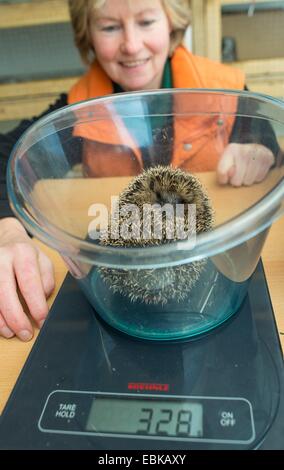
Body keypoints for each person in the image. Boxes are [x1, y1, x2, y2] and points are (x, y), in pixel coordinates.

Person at [0, 0, 278, 341]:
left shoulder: (224, 90)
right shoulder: (79, 107)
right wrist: (8, 233)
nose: (131, 45)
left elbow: (268, 147)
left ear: (172, 23)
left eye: (146, 21)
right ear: (88, 34)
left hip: (217, 267)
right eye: (110, 27)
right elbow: (7, 154)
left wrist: (259, 150)